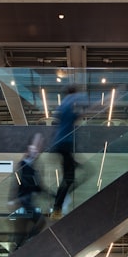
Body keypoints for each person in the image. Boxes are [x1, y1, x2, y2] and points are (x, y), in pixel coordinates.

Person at [50, 85, 89, 219]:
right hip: (65, 144)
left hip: (61, 145)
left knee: (70, 176)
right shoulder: (71, 102)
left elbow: (58, 120)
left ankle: (59, 203)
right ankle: (57, 207)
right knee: (69, 177)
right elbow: (79, 114)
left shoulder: (63, 104)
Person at [9, 134, 46, 248]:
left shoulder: (33, 165)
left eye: (38, 149)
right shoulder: (23, 164)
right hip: (23, 202)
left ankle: (21, 246)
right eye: (34, 147)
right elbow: (20, 183)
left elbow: (37, 187)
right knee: (40, 221)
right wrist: (11, 200)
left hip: (27, 202)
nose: (36, 151)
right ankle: (28, 241)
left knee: (22, 231)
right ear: (29, 148)